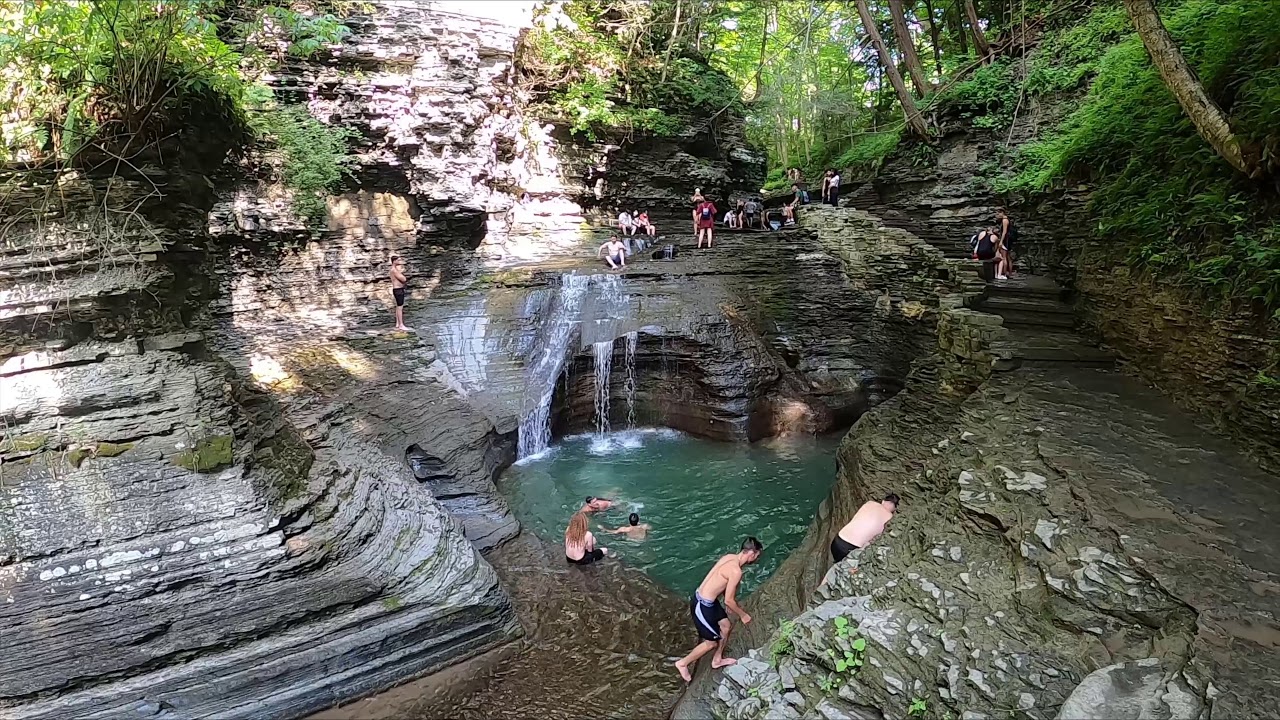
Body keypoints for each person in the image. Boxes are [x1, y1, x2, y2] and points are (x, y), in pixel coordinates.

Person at [674, 537, 763, 682]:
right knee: (711, 643)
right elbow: (729, 600)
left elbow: (716, 579)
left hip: (708, 599)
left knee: (726, 626)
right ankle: (683, 663)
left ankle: (717, 659)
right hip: (702, 605)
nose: (756, 559)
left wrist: (727, 604)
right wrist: (743, 615)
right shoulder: (736, 571)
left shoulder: (729, 557)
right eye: (757, 556)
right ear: (751, 553)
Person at [831, 494, 899, 563]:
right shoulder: (890, 517)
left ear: (883, 501)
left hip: (837, 540)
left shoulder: (870, 503)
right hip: (850, 548)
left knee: (838, 562)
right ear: (895, 509)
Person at [389, 256, 411, 332]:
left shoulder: (394, 270)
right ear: (394, 261)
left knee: (398, 306)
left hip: (398, 289)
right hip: (398, 290)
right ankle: (401, 325)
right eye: (398, 260)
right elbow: (403, 279)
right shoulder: (394, 270)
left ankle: (398, 323)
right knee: (400, 307)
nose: (400, 261)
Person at [996, 209, 1017, 279]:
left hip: (1006, 240)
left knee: (1004, 257)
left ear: (1002, 213)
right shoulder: (1007, 220)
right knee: (1008, 257)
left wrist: (1001, 241)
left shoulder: (1005, 220)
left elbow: (1004, 232)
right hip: (1008, 240)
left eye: (998, 214)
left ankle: (1004, 273)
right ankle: (1009, 273)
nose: (997, 216)